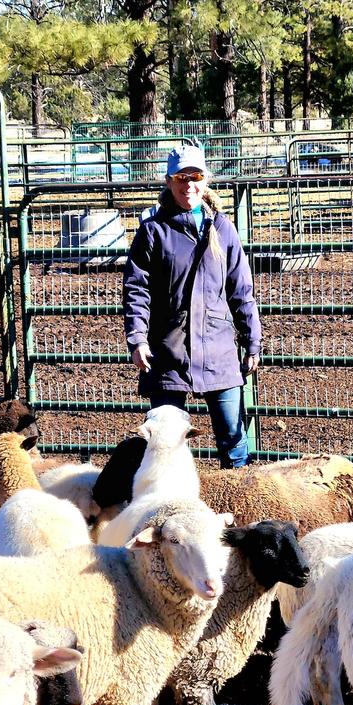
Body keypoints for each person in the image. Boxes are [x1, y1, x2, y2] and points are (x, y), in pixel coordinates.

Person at [122, 144, 261, 468]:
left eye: (195, 177)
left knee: (233, 439)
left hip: (218, 349)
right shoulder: (153, 231)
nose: (189, 185)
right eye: (180, 178)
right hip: (168, 350)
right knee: (164, 446)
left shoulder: (222, 228)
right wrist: (137, 339)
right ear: (168, 181)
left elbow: (240, 288)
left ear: (205, 179)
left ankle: (244, 510)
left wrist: (251, 339)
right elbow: (136, 289)